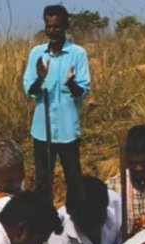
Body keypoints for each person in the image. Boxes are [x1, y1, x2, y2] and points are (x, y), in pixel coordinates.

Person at [22, 4, 91, 205]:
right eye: (49, 27)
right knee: (43, 181)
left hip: (68, 129)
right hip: (42, 130)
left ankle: (74, 220)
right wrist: (40, 78)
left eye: (57, 27)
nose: (52, 32)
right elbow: (30, 89)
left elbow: (83, 90)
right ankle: (45, 223)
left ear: (65, 26)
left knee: (73, 178)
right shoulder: (37, 53)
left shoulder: (77, 53)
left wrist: (71, 83)